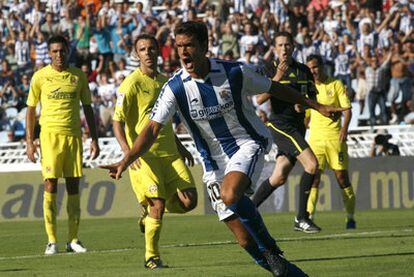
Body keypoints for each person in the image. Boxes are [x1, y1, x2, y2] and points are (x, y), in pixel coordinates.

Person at [100, 21, 345, 277]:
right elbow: (151, 129)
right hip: (212, 163)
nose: (183, 52)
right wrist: (125, 159)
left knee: (230, 195)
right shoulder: (174, 87)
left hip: (246, 144)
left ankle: (271, 248)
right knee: (244, 241)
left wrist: (316, 106)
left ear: (205, 46)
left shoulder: (235, 73)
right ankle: (291, 274)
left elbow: (275, 88)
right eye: (179, 46)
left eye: (190, 46)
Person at [112, 34, 198, 269]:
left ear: (158, 51)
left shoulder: (166, 82)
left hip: (169, 153)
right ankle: (152, 257)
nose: (148, 53)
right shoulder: (130, 84)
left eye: (151, 48)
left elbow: (167, 120)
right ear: (135, 54)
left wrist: (180, 147)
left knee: (190, 201)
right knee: (158, 205)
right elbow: (117, 121)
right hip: (144, 157)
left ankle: (149, 214)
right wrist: (128, 152)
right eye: (142, 49)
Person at [25, 35, 100, 255]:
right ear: (49, 53)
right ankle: (51, 240)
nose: (59, 55)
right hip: (49, 137)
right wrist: (30, 142)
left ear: (68, 51)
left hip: (74, 137)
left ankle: (73, 239)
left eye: (62, 51)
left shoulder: (78, 76)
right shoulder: (40, 77)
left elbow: (87, 108)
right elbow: (30, 110)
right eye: (54, 51)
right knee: (50, 184)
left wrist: (94, 138)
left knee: (74, 186)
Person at [251, 31, 322, 234]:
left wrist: (304, 108)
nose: (284, 48)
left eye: (287, 45)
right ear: (275, 48)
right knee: (312, 164)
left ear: (293, 47)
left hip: (297, 125)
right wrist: (277, 78)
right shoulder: (268, 68)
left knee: (279, 176)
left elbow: (309, 98)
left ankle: (247, 211)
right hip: (280, 125)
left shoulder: (303, 71)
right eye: (280, 45)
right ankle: (302, 217)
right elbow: (259, 100)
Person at [305, 55, 356, 229]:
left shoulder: (336, 84)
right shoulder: (309, 88)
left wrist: (344, 129)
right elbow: (306, 116)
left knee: (342, 178)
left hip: (335, 138)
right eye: (310, 68)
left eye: (315, 67)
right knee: (314, 179)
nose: (313, 71)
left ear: (322, 66)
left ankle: (350, 217)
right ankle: (309, 216)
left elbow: (348, 110)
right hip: (315, 139)